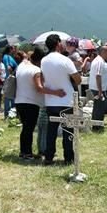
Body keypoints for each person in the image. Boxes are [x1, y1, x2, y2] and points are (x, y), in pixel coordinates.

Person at [40, 34, 81, 165]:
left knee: (51, 131)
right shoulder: (65, 60)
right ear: (58, 44)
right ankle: (68, 158)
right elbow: (78, 79)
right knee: (68, 131)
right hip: (67, 100)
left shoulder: (44, 60)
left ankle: (49, 156)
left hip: (51, 101)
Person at [15, 48, 63, 160]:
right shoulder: (36, 70)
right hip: (31, 102)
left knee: (25, 128)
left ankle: (24, 151)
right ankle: (27, 153)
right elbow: (39, 88)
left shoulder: (21, 67)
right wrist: (56, 92)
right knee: (29, 128)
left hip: (19, 101)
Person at [90, 45, 107, 125]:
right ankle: (97, 126)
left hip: (97, 88)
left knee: (99, 108)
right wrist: (100, 91)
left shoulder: (99, 60)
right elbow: (98, 75)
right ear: (103, 52)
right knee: (99, 108)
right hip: (97, 89)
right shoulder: (99, 61)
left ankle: (97, 124)